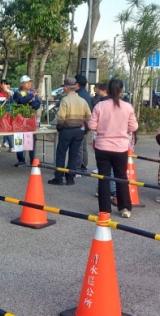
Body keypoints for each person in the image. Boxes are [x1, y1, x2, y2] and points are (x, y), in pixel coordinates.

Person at [88, 79, 139, 218]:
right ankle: (125, 208)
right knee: (121, 177)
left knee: (103, 178)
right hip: (120, 147)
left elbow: (92, 126)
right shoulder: (127, 107)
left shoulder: (100, 105)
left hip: (102, 146)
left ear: (108, 90)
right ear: (121, 91)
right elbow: (134, 127)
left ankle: (104, 210)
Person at [48, 78, 91, 186]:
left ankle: (59, 178)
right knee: (74, 155)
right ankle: (70, 178)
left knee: (61, 154)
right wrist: (85, 128)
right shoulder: (82, 101)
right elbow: (88, 116)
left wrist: (59, 127)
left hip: (66, 130)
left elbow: (61, 117)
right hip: (79, 130)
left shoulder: (65, 100)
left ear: (66, 88)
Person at [12, 75, 41, 167]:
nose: (29, 84)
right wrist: (31, 96)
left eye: (30, 82)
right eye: (27, 82)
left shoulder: (33, 92)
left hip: (30, 119)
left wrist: (32, 103)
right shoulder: (17, 92)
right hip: (19, 119)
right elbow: (21, 101)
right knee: (19, 139)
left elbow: (37, 104)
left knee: (30, 139)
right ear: (22, 83)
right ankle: (21, 160)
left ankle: (32, 160)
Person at [74, 75, 93, 171]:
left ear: (77, 84)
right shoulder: (86, 94)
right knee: (83, 145)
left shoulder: (78, 95)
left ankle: (77, 167)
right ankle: (83, 165)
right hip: (86, 123)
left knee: (78, 146)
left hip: (80, 124)